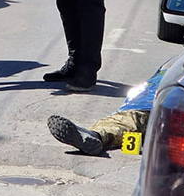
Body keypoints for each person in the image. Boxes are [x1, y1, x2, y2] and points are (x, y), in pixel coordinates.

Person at [46, 54, 176, 155]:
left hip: (161, 106)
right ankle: (94, 135)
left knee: (130, 120)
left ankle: (96, 135)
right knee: (128, 120)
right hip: (149, 102)